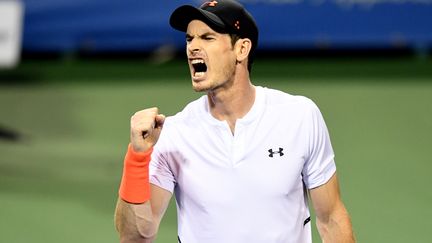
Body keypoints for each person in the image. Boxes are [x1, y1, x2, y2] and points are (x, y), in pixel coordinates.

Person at [114, 0, 355, 242]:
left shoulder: (299, 116)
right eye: (189, 39)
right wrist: (137, 157)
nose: (192, 48)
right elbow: (135, 237)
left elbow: (331, 218)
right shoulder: (174, 134)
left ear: (242, 49)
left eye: (207, 38)